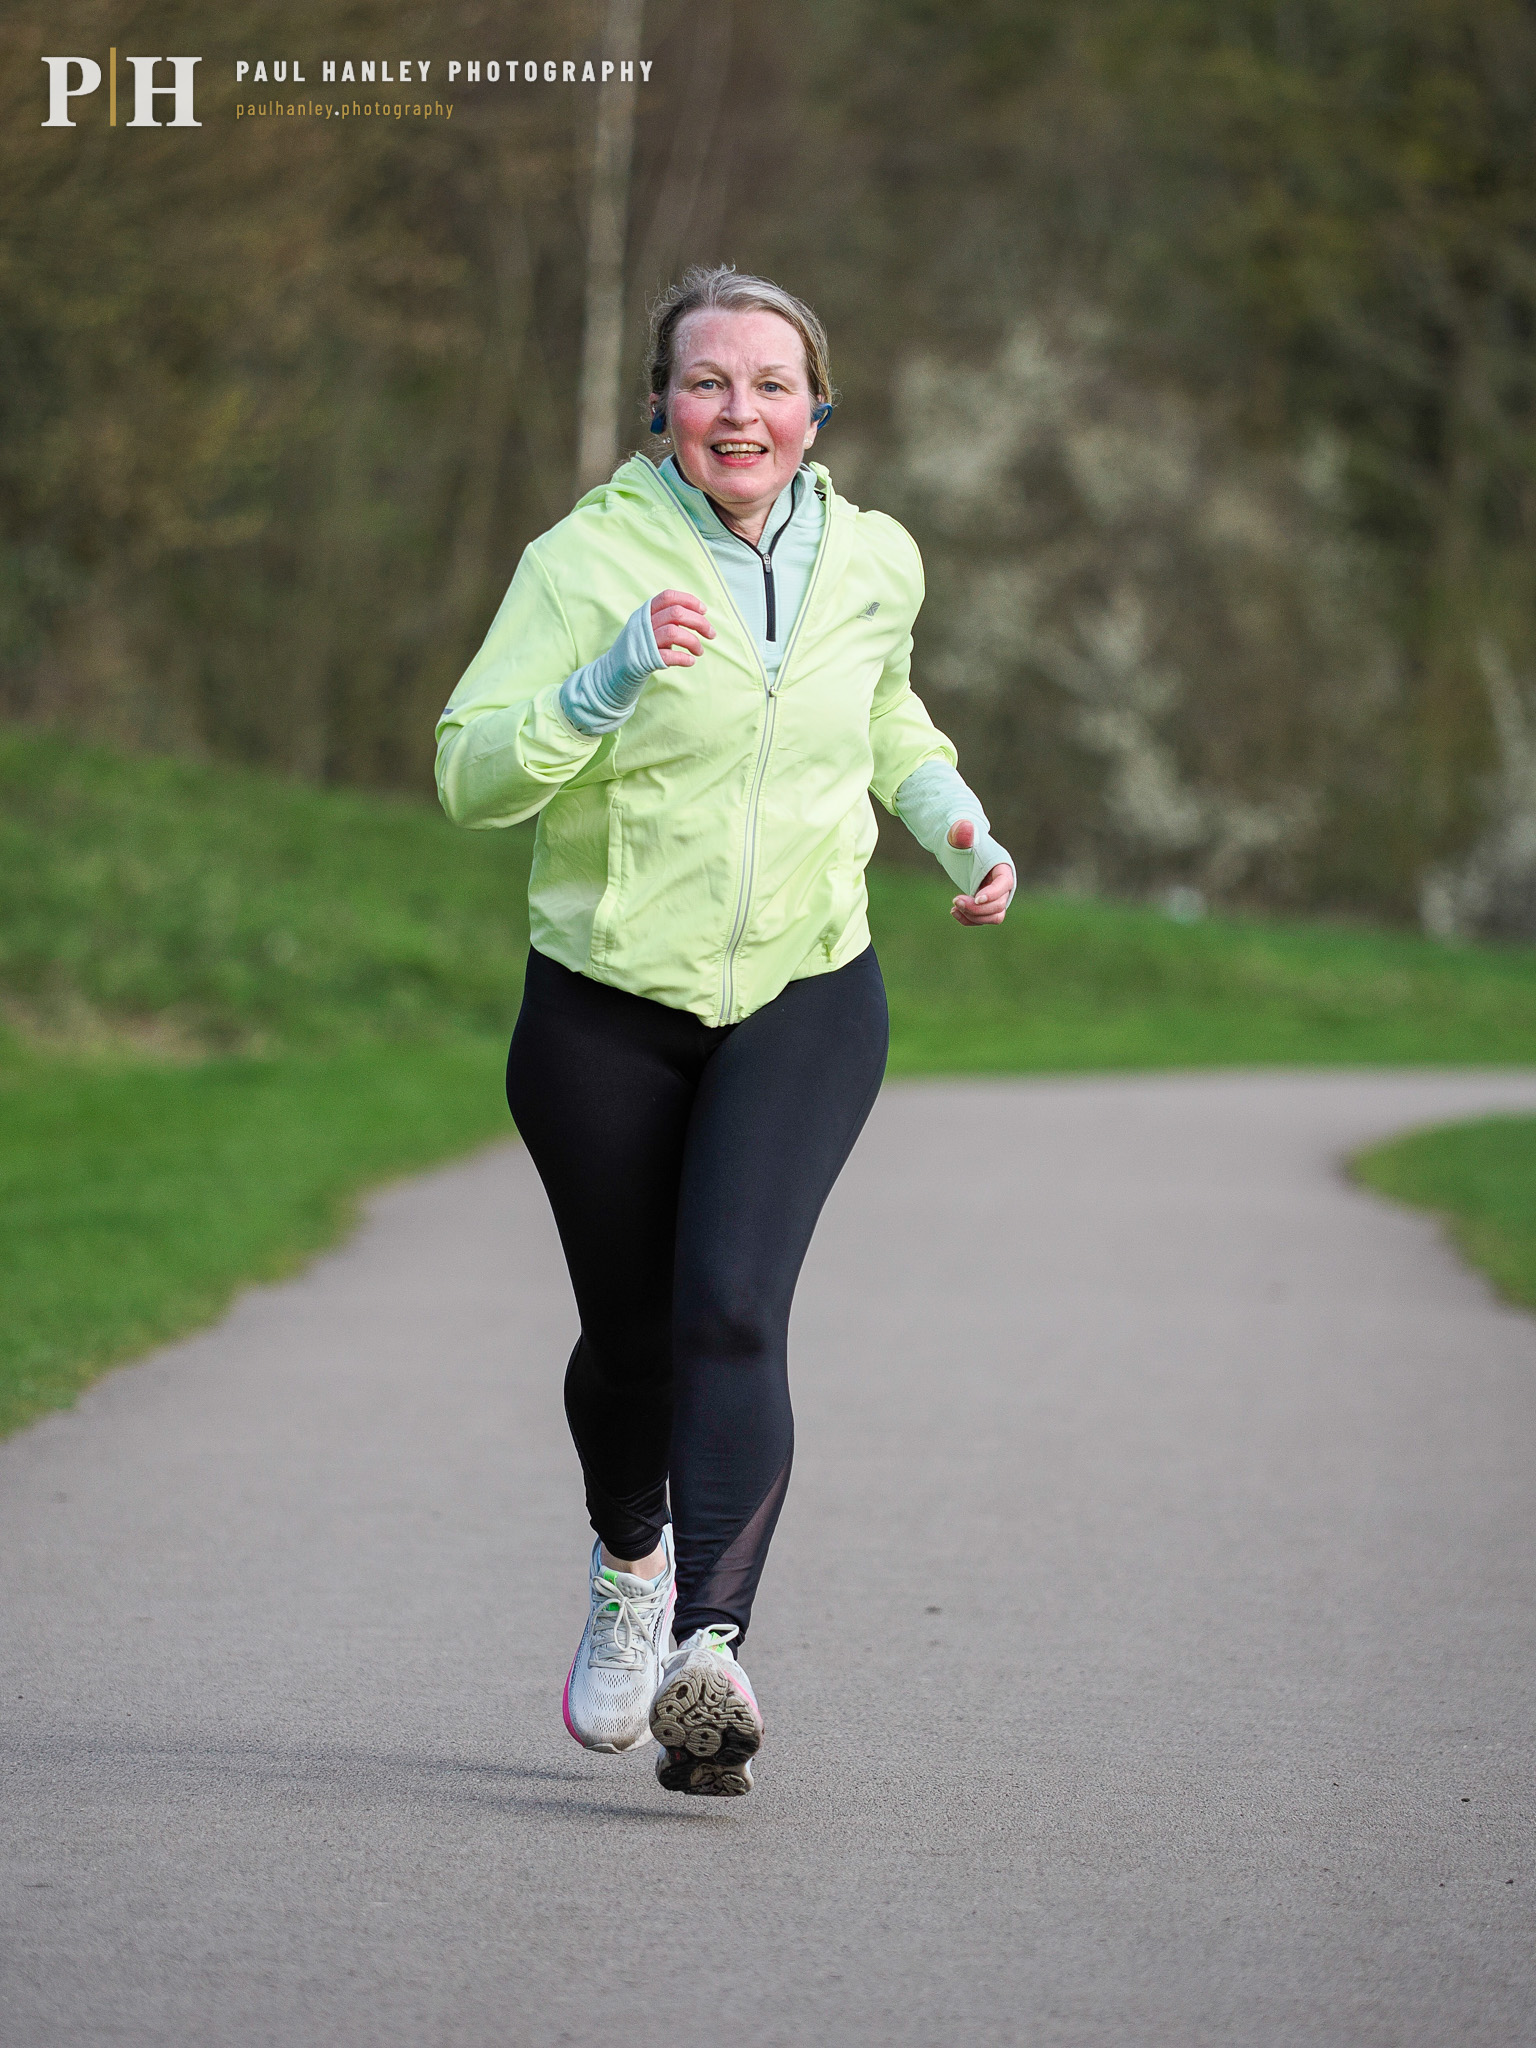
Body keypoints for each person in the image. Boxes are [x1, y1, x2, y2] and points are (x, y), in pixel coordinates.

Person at [435, 265, 1014, 1797]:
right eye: (707, 383)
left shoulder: (876, 559)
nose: (739, 411)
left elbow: (884, 711)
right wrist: (610, 678)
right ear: (662, 407)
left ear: (819, 407)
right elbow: (470, 776)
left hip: (809, 990)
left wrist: (953, 822)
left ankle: (712, 1650)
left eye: (771, 384)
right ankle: (633, 1564)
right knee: (632, 1345)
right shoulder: (582, 561)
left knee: (734, 1310)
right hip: (605, 1012)